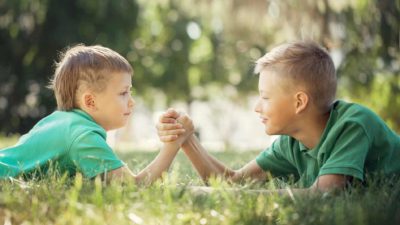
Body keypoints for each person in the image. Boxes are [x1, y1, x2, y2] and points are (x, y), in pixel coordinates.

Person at [157, 41, 400, 192]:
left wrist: (241, 196)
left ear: (299, 102)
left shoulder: (353, 124)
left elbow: (325, 194)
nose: (257, 107)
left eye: (265, 97)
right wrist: (187, 140)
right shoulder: (291, 143)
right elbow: (232, 182)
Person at [0, 44, 190, 184]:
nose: (132, 101)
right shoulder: (82, 135)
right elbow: (132, 187)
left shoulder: (63, 122)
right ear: (90, 101)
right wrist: (172, 145)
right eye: (124, 93)